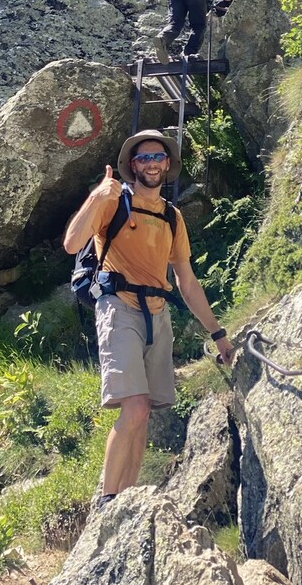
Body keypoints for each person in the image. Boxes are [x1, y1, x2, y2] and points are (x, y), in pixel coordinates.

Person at [63, 129, 234, 507]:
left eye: (158, 157)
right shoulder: (112, 203)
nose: (152, 164)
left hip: (157, 316)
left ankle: (125, 501)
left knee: (144, 414)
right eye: (144, 158)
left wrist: (218, 333)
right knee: (136, 406)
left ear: (168, 165)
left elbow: (186, 281)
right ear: (132, 165)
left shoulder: (172, 217)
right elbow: (73, 243)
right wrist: (96, 196)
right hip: (119, 308)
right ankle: (107, 499)